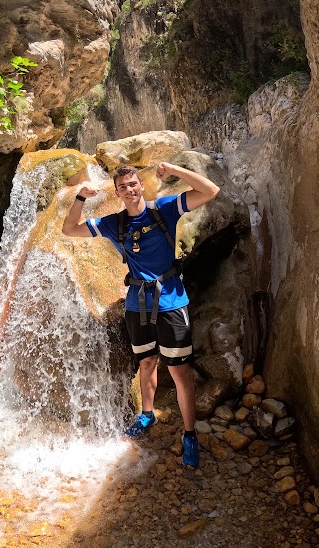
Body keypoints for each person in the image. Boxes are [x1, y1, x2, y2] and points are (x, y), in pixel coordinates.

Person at [61, 162, 220, 469]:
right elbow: (69, 229)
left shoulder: (164, 209)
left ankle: (189, 434)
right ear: (118, 192)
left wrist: (174, 169)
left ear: (141, 185)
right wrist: (80, 197)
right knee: (146, 361)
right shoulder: (113, 223)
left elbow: (210, 190)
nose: (130, 190)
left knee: (180, 372)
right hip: (137, 304)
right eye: (123, 187)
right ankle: (146, 414)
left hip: (171, 302)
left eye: (133, 184)